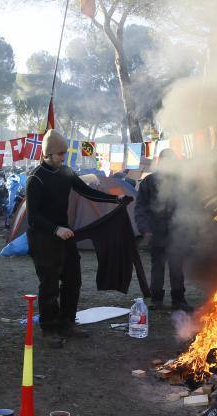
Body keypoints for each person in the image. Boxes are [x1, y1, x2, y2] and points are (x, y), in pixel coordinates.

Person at [26, 129, 129, 348]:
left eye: (64, 153)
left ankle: (67, 322)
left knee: (73, 279)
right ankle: (49, 327)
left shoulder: (65, 172)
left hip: (64, 234)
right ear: (48, 154)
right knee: (49, 283)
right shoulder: (36, 179)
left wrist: (114, 199)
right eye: (59, 154)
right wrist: (55, 230)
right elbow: (33, 217)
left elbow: (86, 191)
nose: (63, 158)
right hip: (44, 237)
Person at [134, 148, 193, 312]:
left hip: (176, 231)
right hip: (156, 231)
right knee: (157, 266)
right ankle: (156, 299)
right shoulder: (149, 182)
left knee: (176, 266)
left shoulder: (181, 183)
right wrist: (144, 229)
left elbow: (187, 206)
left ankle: (179, 299)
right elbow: (140, 208)